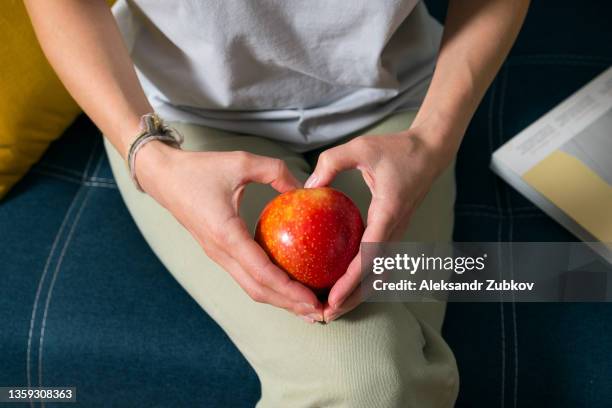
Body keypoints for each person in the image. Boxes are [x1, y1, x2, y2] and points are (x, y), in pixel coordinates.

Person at [25, 0, 529, 406]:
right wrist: (155, 163)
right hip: (179, 128)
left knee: (384, 383)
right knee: (372, 381)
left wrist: (430, 142)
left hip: (403, 108)